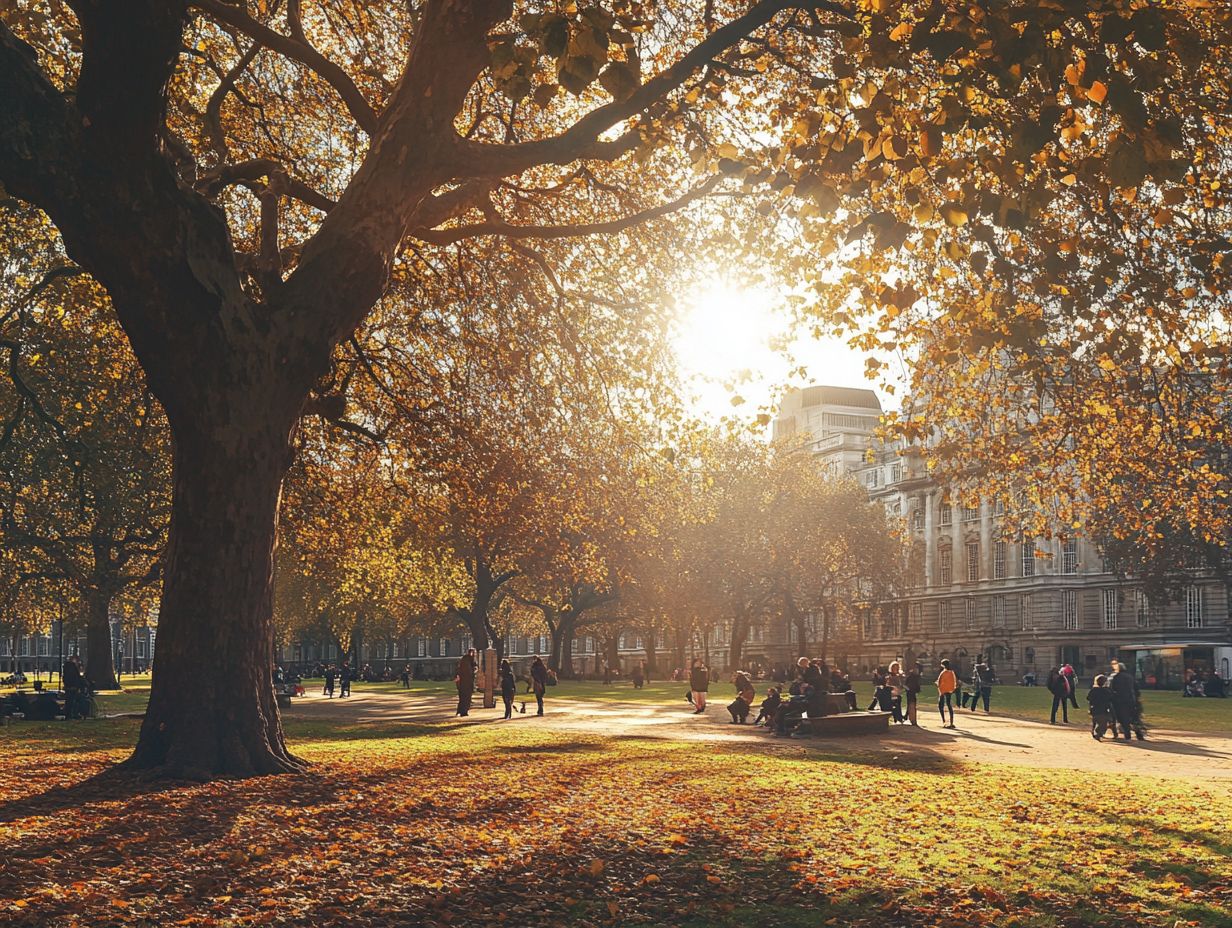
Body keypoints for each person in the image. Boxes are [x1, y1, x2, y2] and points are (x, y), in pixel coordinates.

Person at [1108, 660, 1145, 741]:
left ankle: (1127, 735)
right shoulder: (1130, 676)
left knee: (1123, 718)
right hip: (1131, 699)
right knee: (1133, 717)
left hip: (1118, 700)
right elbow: (1136, 689)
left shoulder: (1114, 677)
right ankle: (1139, 734)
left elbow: (1110, 689)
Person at [1086, 674, 1117, 741]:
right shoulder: (1106, 691)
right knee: (1103, 723)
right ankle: (1098, 733)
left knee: (1095, 721)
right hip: (1103, 709)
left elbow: (1088, 698)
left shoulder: (1093, 690)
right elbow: (1111, 699)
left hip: (1094, 708)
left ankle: (1094, 731)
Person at [455, 648, 477, 717]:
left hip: (464, 683)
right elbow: (470, 671)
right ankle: (463, 711)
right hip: (466, 682)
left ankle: (461, 710)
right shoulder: (467, 660)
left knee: (463, 698)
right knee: (466, 697)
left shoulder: (466, 660)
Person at [935, 659, 957, 729]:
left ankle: (944, 721)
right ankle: (951, 722)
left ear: (943, 665)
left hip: (943, 690)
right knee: (949, 705)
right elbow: (954, 682)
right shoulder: (952, 672)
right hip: (949, 690)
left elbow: (939, 682)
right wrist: (952, 689)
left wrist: (940, 689)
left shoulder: (943, 673)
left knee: (940, 706)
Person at [903, 662, 922, 726]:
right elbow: (907, 684)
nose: (916, 669)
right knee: (911, 704)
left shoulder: (915, 676)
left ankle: (907, 716)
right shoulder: (912, 676)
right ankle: (911, 719)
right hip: (910, 691)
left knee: (911, 704)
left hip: (911, 691)